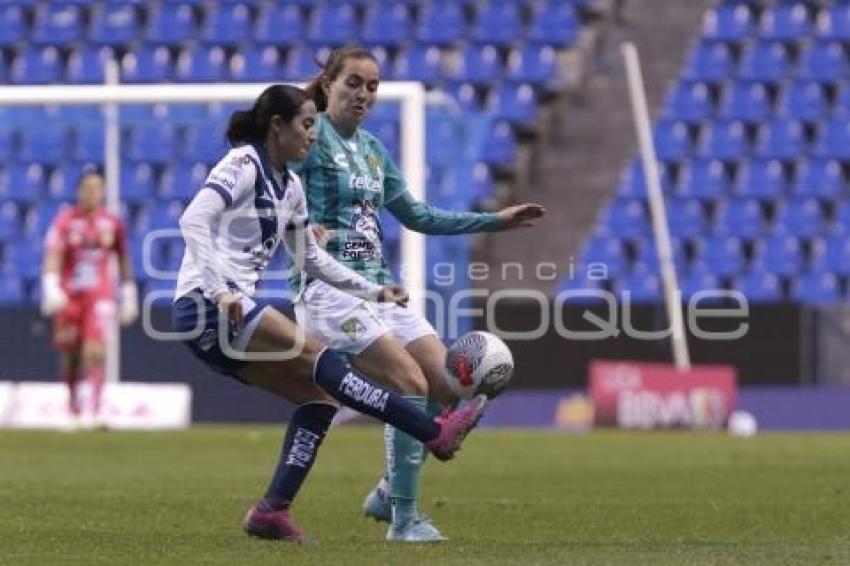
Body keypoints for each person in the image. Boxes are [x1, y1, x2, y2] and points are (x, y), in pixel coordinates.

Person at [170, 84, 487, 543]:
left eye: (315, 125)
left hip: (226, 315)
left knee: (319, 397)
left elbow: (311, 259)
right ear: (276, 127)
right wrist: (221, 291)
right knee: (321, 356)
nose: (313, 135)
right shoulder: (242, 164)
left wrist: (373, 291)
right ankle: (432, 431)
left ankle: (271, 511)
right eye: (305, 124)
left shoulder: (291, 187)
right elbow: (191, 221)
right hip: (205, 306)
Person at [293, 45, 546, 542]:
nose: (363, 94)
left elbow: (419, 215)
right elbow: (273, 189)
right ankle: (404, 519)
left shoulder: (371, 150)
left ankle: (389, 491)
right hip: (328, 293)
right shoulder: (308, 137)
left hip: (380, 292)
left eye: (372, 86)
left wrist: (495, 221)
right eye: (353, 83)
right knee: (409, 384)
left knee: (448, 385)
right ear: (328, 84)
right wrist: (299, 228)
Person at [41, 169, 139, 429]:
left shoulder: (113, 223)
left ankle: (96, 411)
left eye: (97, 188)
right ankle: (72, 410)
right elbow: (53, 253)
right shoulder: (65, 221)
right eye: (88, 188)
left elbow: (123, 257)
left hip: (100, 295)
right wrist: (50, 285)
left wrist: (129, 292)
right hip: (70, 297)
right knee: (71, 355)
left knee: (95, 351)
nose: (92, 193)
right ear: (79, 191)